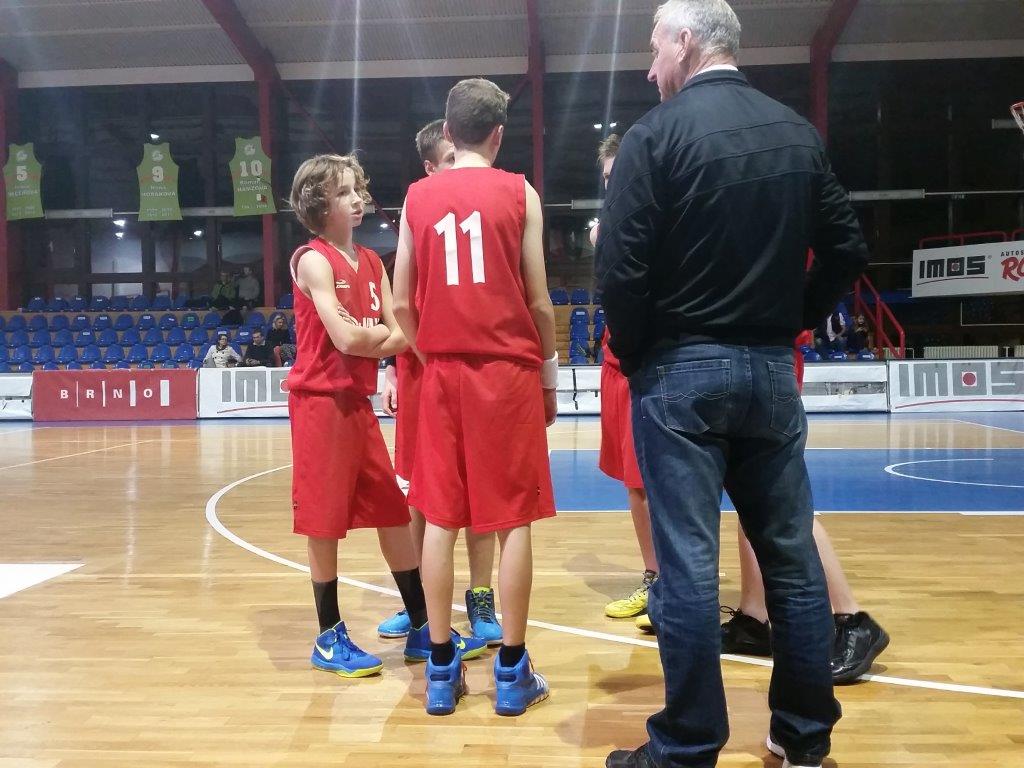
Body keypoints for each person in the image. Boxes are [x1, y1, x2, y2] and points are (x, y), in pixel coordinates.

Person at [596, 3, 868, 767]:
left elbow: (620, 269)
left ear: (686, 42)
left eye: (655, 47)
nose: (650, 67)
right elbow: (848, 248)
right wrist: (794, 318)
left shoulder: (655, 137)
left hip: (680, 371)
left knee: (685, 568)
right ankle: (803, 738)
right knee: (791, 562)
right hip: (768, 371)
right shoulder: (795, 133)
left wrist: (640, 354)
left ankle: (687, 747)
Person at [286, 153, 486, 680]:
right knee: (324, 522)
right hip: (319, 405)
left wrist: (377, 339)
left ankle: (422, 625)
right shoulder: (312, 261)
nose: (357, 200)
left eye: (357, 189)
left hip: (357, 403)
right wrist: (382, 338)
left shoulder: (373, 262)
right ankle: (328, 635)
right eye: (344, 192)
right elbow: (348, 338)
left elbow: (392, 330)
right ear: (317, 203)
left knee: (394, 513)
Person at [393, 78, 557, 717]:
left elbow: (402, 302)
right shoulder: (519, 192)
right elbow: (539, 301)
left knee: (439, 517)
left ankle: (441, 668)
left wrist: (430, 356)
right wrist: (548, 377)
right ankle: (511, 672)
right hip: (507, 376)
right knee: (511, 520)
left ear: (447, 131)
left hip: (441, 375)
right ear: (497, 134)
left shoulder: (417, 197)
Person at [377, 118, 502, 646]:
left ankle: (480, 596)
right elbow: (395, 309)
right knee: (418, 495)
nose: (461, 167)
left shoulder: (484, 221)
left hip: (469, 373)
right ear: (430, 169)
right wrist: (390, 367)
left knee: (480, 493)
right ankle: (419, 604)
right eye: (450, 160)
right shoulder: (418, 220)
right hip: (421, 374)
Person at [589, 133, 658, 628]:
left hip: (649, 366)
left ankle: (667, 584)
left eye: (620, 175)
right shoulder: (611, 227)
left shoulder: (658, 219)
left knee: (652, 483)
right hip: (617, 362)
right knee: (635, 485)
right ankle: (658, 578)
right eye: (608, 178)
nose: (613, 185)